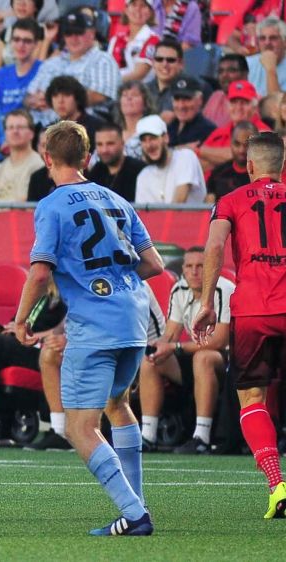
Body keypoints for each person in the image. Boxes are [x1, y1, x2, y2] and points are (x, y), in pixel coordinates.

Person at [13, 119, 165, 536]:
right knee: (118, 405)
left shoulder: (51, 205)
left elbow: (40, 272)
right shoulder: (118, 200)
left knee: (81, 427)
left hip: (95, 325)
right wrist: (116, 278)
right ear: (88, 158)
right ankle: (136, 504)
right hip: (134, 319)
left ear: (46, 159)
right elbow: (155, 264)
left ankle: (135, 515)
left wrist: (21, 319)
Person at [191, 130, 286, 520]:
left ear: (248, 166)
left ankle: (277, 484)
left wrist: (206, 302)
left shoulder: (230, 200)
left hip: (253, 309)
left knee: (252, 398)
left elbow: (213, 247)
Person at [139, 247, 235, 455]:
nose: (194, 272)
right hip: (191, 356)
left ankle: (201, 437)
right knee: (152, 359)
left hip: (227, 363)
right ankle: (148, 436)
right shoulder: (179, 289)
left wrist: (175, 347)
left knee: (204, 357)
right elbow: (171, 334)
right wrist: (160, 347)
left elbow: (219, 340)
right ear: (182, 269)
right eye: (189, 266)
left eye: (200, 266)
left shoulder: (224, 289)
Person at [24, 9, 121, 127]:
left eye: (79, 33)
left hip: (81, 127)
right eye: (69, 33)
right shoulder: (51, 62)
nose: (73, 38)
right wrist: (33, 101)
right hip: (40, 128)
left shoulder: (102, 60)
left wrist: (52, 101)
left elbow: (100, 95)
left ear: (92, 33)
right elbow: (28, 96)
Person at [199, 80, 272, 171]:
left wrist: (200, 151)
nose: (238, 107)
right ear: (228, 105)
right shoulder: (219, 132)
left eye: (244, 102)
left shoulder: (264, 133)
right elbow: (198, 164)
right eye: (234, 102)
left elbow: (240, 156)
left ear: (254, 106)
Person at [134, 114, 206, 203]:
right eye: (144, 140)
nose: (149, 145)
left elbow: (178, 203)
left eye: (153, 138)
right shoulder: (143, 176)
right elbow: (144, 214)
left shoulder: (185, 157)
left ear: (166, 138)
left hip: (192, 217)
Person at [0, 109, 43, 202]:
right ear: (5, 133)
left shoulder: (39, 166)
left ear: (32, 133)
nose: (15, 131)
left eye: (20, 127)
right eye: (10, 127)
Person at [0, 18, 43, 115]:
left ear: (36, 44)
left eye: (27, 41)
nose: (21, 45)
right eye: (16, 39)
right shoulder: (1, 74)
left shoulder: (44, 71)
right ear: (10, 42)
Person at [86, 123, 145, 202]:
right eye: (99, 144)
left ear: (122, 143)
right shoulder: (97, 170)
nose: (104, 150)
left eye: (110, 144)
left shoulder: (138, 170)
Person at [108, 0, 160, 82]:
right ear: (126, 10)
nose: (138, 9)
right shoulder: (115, 40)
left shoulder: (153, 40)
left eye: (143, 6)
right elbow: (108, 70)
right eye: (134, 5)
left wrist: (109, 82)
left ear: (150, 12)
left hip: (142, 91)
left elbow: (139, 74)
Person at [44, 75, 104, 144]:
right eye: (55, 95)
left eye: (66, 95)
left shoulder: (96, 127)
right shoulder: (49, 130)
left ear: (77, 98)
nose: (60, 101)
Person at [208, 121, 258, 202]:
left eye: (247, 145)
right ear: (231, 143)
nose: (241, 150)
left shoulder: (264, 175)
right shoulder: (217, 174)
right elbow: (209, 207)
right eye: (237, 144)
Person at [167, 77, 216, 148]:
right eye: (177, 99)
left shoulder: (209, 131)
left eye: (187, 99)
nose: (181, 106)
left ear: (200, 100)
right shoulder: (169, 127)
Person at [203, 54, 250, 128]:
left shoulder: (254, 101)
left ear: (245, 74)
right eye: (220, 71)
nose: (224, 75)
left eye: (231, 71)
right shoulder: (216, 96)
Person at [115, 81, 157, 160]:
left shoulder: (152, 132)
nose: (129, 98)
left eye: (134, 95)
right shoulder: (113, 132)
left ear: (145, 103)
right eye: (124, 95)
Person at [246, 15, 286, 97]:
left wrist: (270, 69)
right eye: (262, 38)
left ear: (284, 42)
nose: (267, 43)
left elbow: (277, 105)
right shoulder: (247, 63)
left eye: (273, 38)